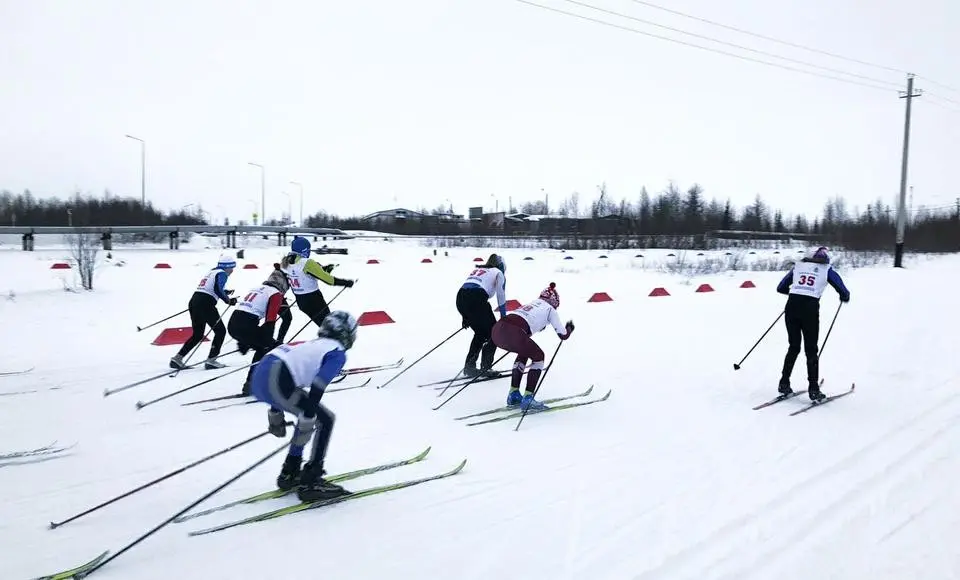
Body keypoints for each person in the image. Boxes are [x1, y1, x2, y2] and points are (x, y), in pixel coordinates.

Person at [249, 310, 359, 502]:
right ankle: (311, 480)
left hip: (261, 374)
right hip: (278, 379)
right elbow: (318, 385)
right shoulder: (336, 353)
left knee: (309, 413)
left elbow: (284, 361)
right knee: (325, 420)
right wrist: (308, 416)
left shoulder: (312, 344)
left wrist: (276, 410)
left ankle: (290, 472)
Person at [775, 246, 850, 402]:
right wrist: (844, 297)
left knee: (793, 347)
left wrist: (797, 292)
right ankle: (814, 390)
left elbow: (781, 287)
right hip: (809, 310)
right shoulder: (826, 269)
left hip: (791, 307)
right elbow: (843, 291)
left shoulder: (799, 267)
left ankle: (784, 383)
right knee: (811, 350)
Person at [490, 282, 574, 411]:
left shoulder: (533, 303)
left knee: (524, 352)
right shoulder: (550, 309)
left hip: (497, 330)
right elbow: (563, 335)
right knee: (539, 356)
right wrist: (569, 329)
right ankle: (528, 398)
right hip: (514, 331)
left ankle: (514, 394)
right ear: (554, 302)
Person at [228, 265, 290, 395]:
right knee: (268, 348)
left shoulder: (258, 288)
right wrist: (270, 341)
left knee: (262, 346)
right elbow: (270, 319)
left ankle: (251, 384)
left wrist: (244, 341)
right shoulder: (275, 294)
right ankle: (255, 383)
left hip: (233, 324)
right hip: (247, 326)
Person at [170, 255, 237, 370]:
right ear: (227, 267)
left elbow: (212, 288)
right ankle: (211, 360)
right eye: (232, 268)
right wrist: (228, 300)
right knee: (220, 331)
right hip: (206, 304)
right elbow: (217, 289)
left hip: (195, 301)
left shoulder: (212, 272)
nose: (232, 271)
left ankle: (177, 359)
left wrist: (225, 292)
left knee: (198, 334)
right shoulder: (222, 273)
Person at [280, 236, 355, 326]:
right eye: (308, 250)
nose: (309, 252)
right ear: (304, 250)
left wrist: (324, 269)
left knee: (324, 327)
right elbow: (328, 280)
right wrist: (346, 283)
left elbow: (306, 275)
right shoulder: (307, 262)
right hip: (314, 300)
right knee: (330, 327)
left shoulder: (286, 263)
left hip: (301, 301)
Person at [456, 253, 507, 378]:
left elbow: (468, 288)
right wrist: (503, 316)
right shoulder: (498, 273)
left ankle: (470, 366)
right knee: (494, 333)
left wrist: (466, 316)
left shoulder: (478, 269)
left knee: (481, 333)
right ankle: (486, 367)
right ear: (501, 266)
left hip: (461, 299)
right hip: (477, 299)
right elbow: (501, 295)